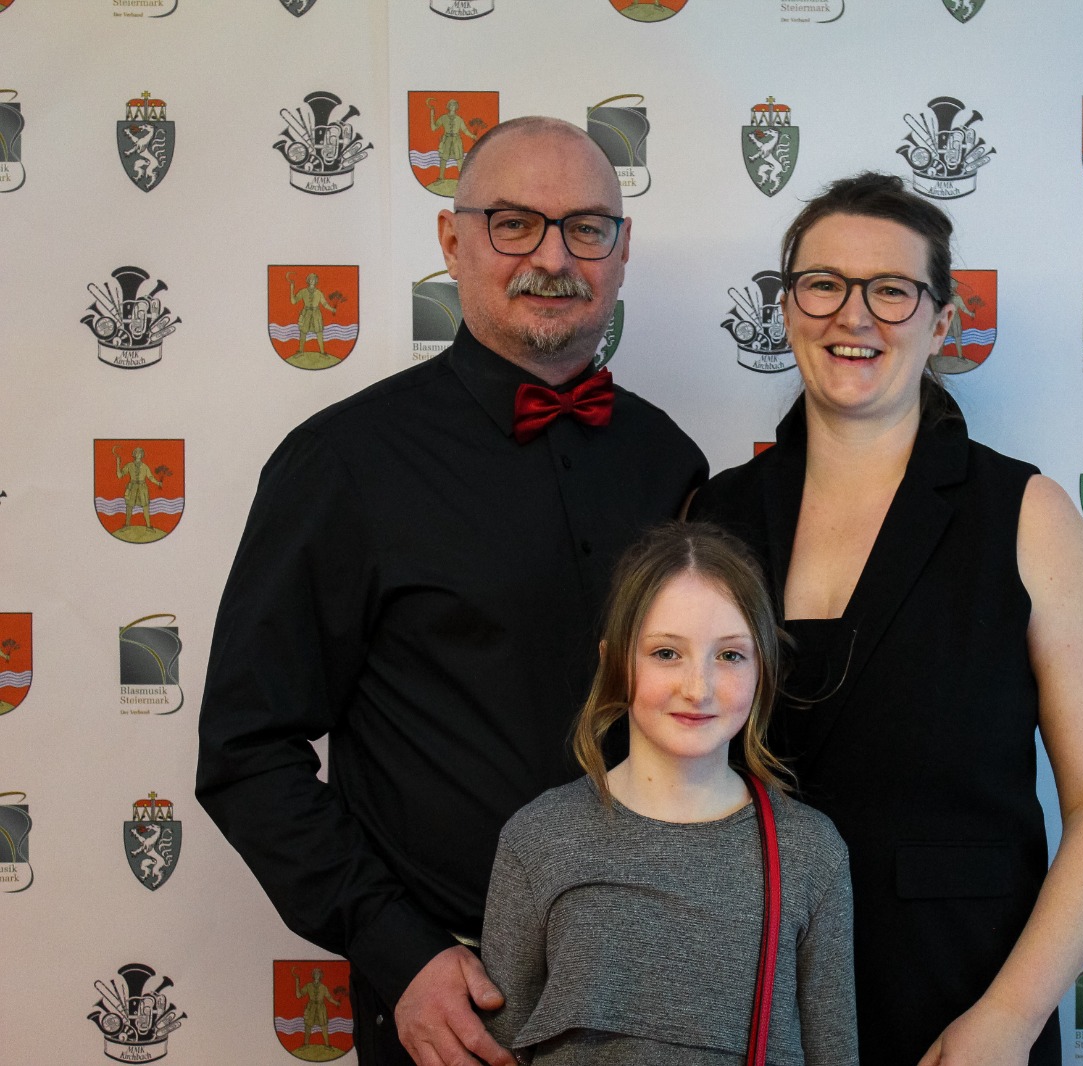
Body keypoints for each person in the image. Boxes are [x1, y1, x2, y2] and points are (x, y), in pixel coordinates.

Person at [196, 116, 707, 1066]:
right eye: (514, 223)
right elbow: (247, 750)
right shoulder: (343, 463)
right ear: (452, 239)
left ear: (621, 250)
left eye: (586, 227)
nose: (552, 258)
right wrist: (399, 952)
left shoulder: (669, 459)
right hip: (459, 1004)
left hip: (659, 981)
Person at [690, 173, 1083, 1065]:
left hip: (960, 1003)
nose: (853, 315)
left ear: (941, 322)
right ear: (787, 309)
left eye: (892, 290)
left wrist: (1010, 1018)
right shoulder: (715, 514)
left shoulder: (1025, 514)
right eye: (823, 284)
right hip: (744, 998)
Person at [481, 522, 857, 1063]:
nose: (697, 688)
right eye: (665, 653)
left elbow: (833, 1052)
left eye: (730, 655)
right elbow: (499, 1048)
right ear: (616, 662)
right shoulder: (538, 839)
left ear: (763, 668)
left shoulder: (811, 853)